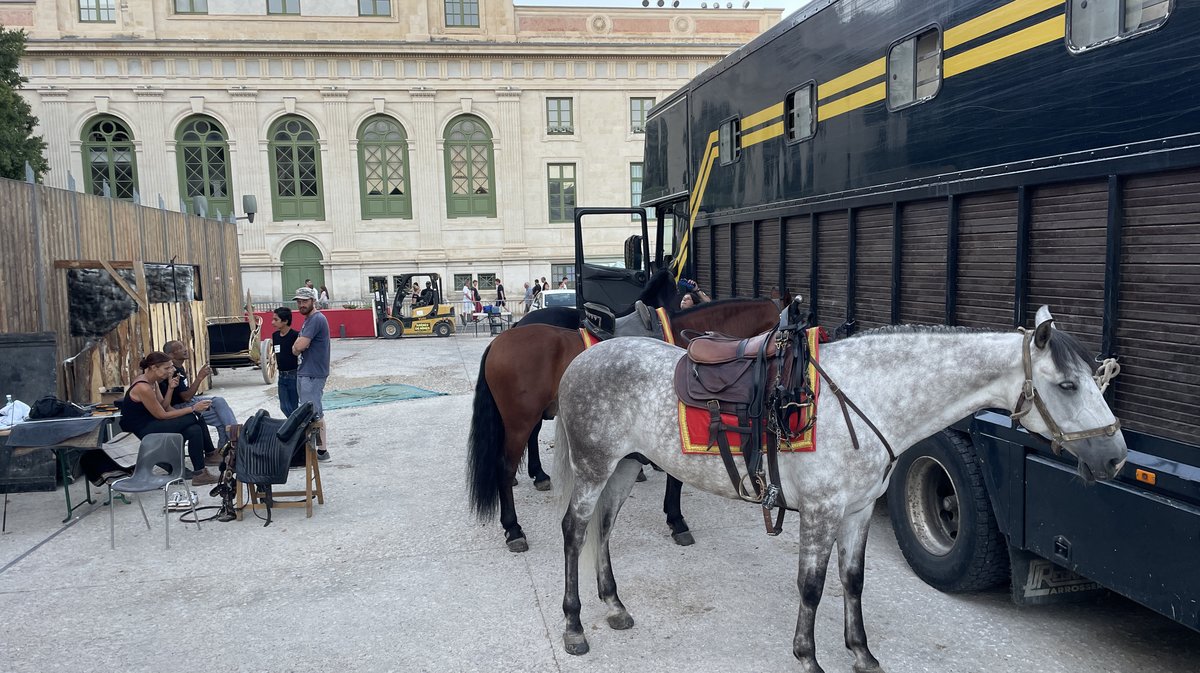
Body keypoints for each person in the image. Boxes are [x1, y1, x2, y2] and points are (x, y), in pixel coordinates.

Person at [121, 351, 218, 485]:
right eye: (167, 368)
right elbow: (161, 415)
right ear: (154, 368)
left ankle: (200, 474)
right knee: (195, 417)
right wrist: (193, 408)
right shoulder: (143, 387)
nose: (170, 370)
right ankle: (210, 454)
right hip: (142, 428)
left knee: (194, 429)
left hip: (153, 422)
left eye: (171, 367)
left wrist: (171, 388)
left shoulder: (153, 382)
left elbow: (164, 406)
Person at [161, 339, 237, 459]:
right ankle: (235, 441)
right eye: (180, 348)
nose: (185, 349)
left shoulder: (179, 368)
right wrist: (200, 377)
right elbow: (186, 397)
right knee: (220, 418)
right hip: (178, 407)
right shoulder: (173, 371)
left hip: (188, 402)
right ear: (171, 355)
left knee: (219, 403)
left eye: (184, 346)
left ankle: (228, 445)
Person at [292, 287, 331, 461]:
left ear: (313, 301)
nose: (301, 305)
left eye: (304, 301)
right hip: (307, 371)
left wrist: (296, 347)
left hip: (313, 373)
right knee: (310, 410)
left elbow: (298, 347)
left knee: (313, 411)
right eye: (299, 302)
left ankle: (321, 451)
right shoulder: (309, 320)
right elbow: (299, 345)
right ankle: (317, 449)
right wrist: (297, 346)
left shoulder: (316, 319)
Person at [271, 306, 300, 417]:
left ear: (285, 321)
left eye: (276, 319)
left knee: (293, 406)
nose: (272, 322)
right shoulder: (275, 336)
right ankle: (295, 425)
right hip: (281, 376)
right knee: (284, 406)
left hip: (293, 375)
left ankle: (296, 429)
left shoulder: (295, 335)